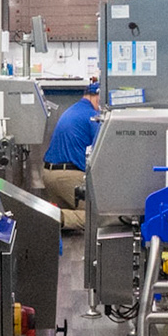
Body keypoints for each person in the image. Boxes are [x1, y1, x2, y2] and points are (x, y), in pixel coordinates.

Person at [41, 80, 100, 230]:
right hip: (69, 177)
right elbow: (102, 150)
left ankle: (55, 216)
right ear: (97, 96)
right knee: (99, 217)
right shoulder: (92, 116)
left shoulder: (73, 110)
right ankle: (53, 217)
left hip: (49, 175)